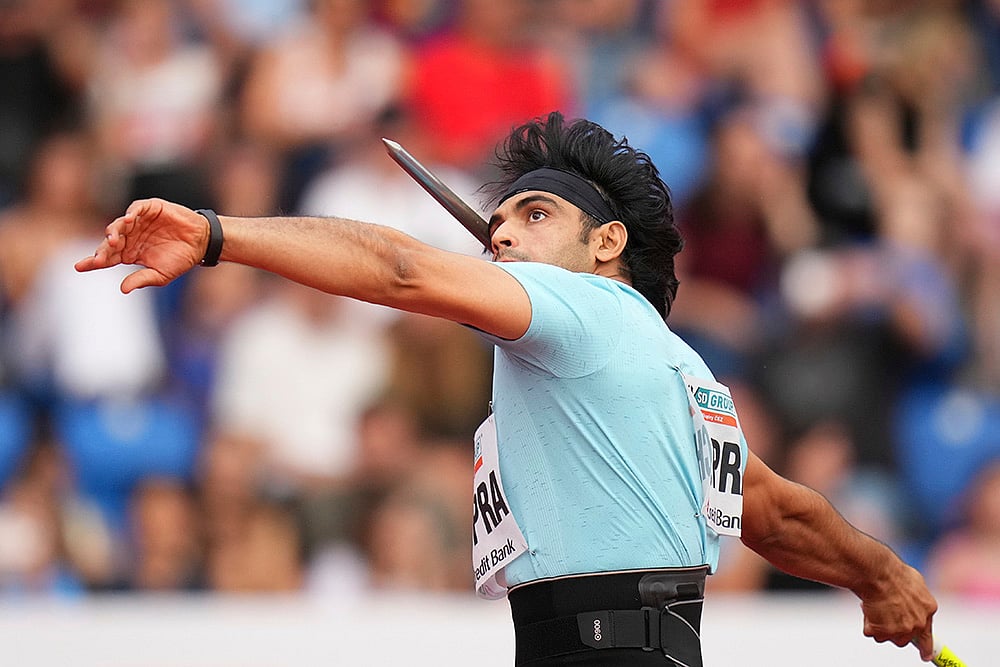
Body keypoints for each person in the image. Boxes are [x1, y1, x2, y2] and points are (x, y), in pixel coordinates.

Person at [76, 111, 938, 666]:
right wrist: (882, 573)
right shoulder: (678, 369)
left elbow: (402, 267)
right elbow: (775, 512)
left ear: (607, 244)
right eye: (497, 225)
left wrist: (217, 232)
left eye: (534, 216)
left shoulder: (584, 308)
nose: (503, 238)